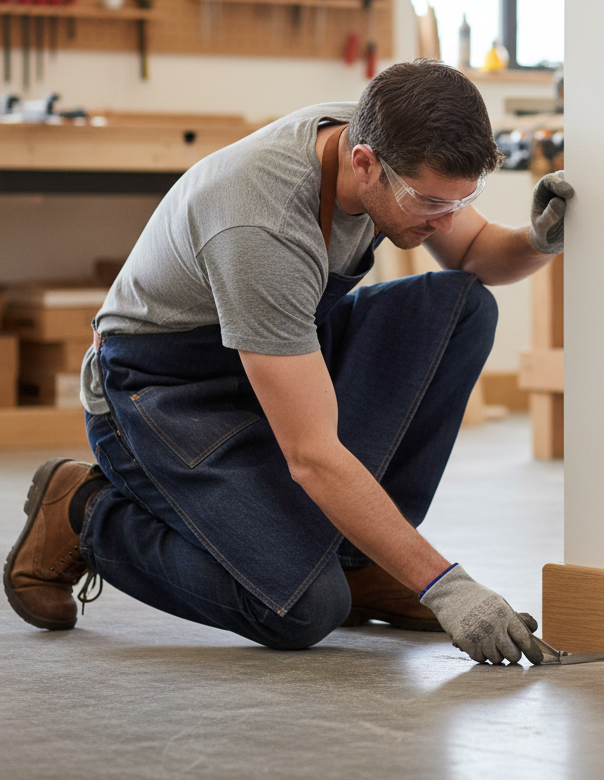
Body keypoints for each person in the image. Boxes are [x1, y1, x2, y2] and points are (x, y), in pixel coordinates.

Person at [4, 60, 573, 666]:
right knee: (301, 610)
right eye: (430, 202)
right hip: (163, 389)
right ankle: (84, 513)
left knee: (462, 308)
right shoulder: (264, 222)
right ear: (364, 164)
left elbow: (476, 254)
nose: (446, 219)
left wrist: (539, 240)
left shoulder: (385, 141)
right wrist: (444, 584)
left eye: (461, 200)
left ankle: (361, 563)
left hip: (273, 356)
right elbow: (313, 456)